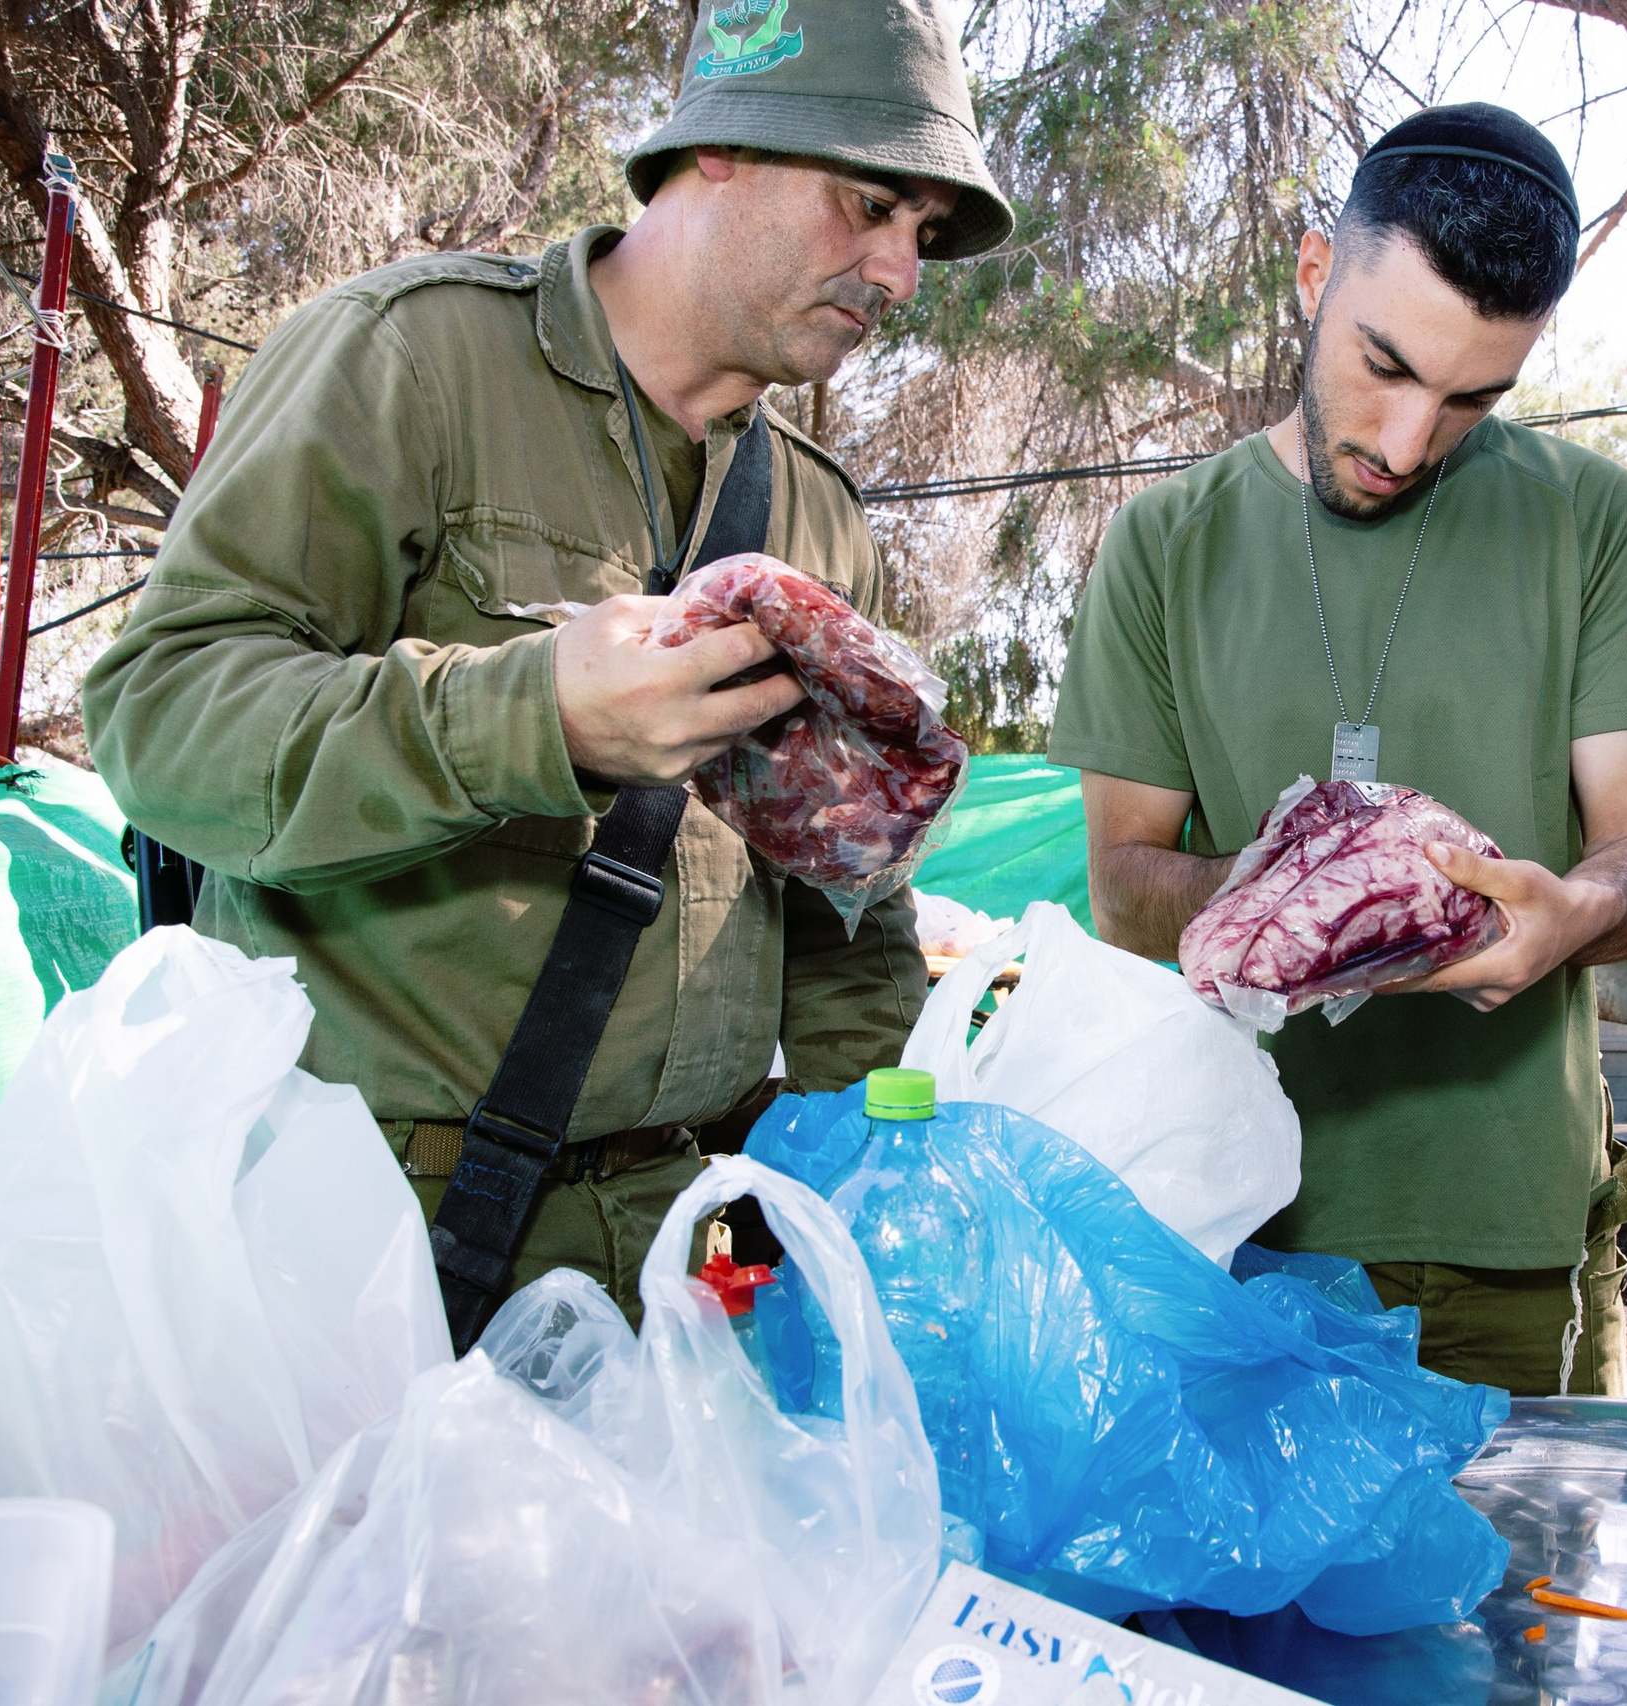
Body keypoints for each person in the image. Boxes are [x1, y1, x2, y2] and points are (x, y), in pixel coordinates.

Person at [83, 1, 1013, 1323]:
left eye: (922, 236)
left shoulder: (816, 515)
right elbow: (159, 717)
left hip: (689, 1250)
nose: (900, 271)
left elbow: (843, 911)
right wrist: (533, 716)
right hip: (368, 1246)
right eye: (870, 204)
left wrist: (877, 1164)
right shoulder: (418, 361)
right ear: (722, 146)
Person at [1046, 104, 1627, 1398]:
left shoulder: (1592, 523)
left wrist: (1572, 910)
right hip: (1233, 1225)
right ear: (1315, 274)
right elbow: (1124, 883)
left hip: (1512, 1237)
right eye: (1384, 366)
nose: (1409, 440)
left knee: (1521, 1599)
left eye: (1472, 398)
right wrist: (1306, 896)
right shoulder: (1164, 541)